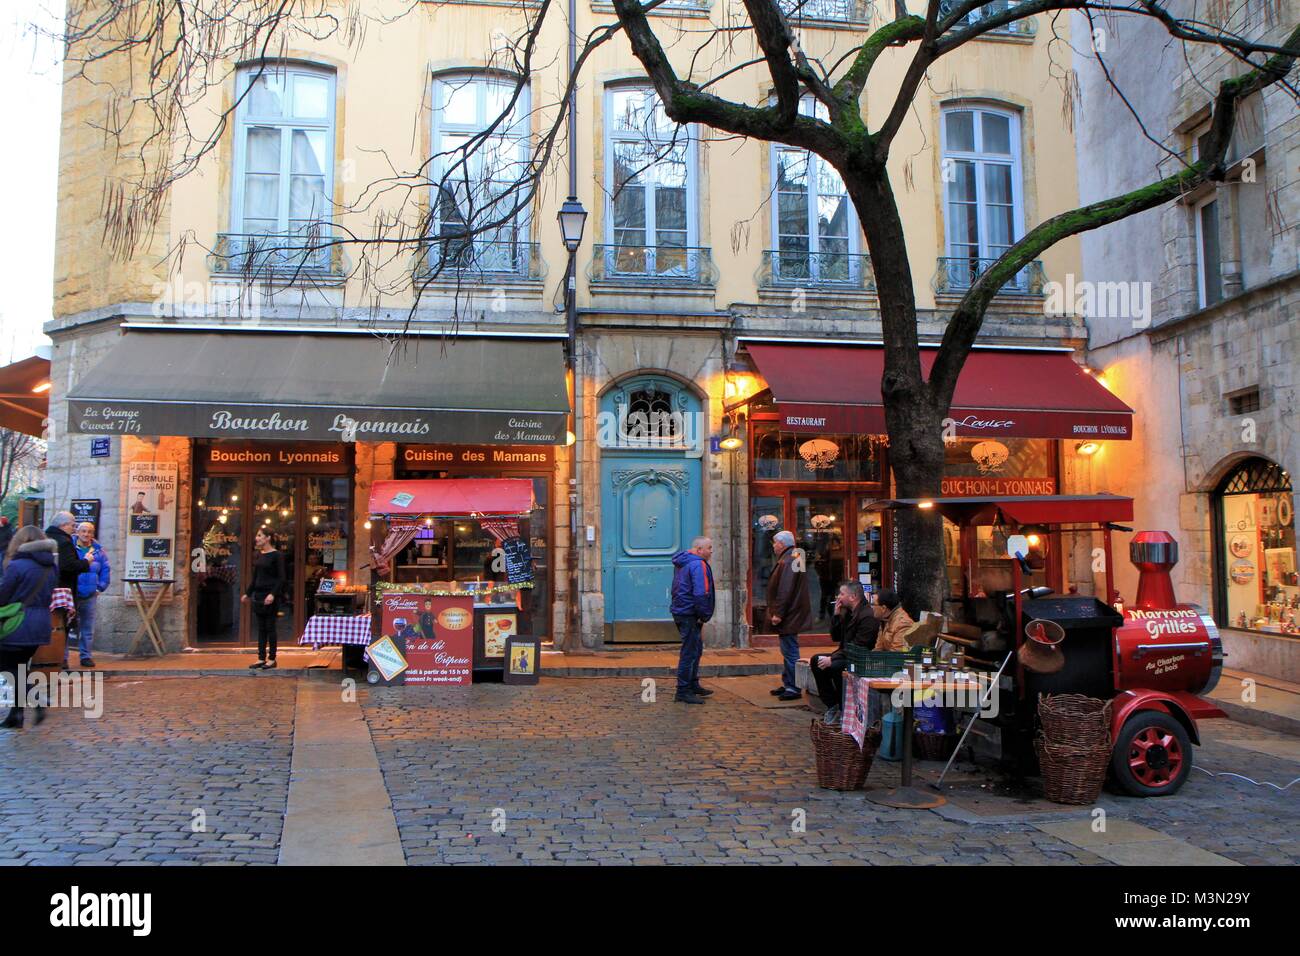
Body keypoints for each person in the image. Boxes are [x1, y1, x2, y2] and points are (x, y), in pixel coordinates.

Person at [0, 526, 58, 728]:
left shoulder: (17, 565)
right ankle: (16, 716)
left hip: (18, 624)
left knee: (7, 667)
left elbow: (3, 596)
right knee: (20, 668)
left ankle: (38, 699)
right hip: (41, 623)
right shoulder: (51, 566)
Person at [809, 581, 880, 724]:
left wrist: (833, 659)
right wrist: (836, 615)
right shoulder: (848, 612)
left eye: (842, 594)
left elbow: (860, 645)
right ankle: (833, 705)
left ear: (853, 596)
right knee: (816, 661)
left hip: (861, 658)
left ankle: (843, 707)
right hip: (845, 654)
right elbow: (836, 638)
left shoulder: (867, 615)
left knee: (835, 666)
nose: (838, 597)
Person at [669, 536, 715, 705]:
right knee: (689, 652)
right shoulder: (698, 564)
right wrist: (704, 615)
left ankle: (693, 684)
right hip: (689, 613)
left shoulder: (684, 562)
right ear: (699, 549)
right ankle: (683, 690)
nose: (711, 551)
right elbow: (700, 592)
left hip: (683, 610)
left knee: (696, 649)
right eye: (709, 548)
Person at [766, 530, 811, 701]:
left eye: (775, 543)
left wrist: (778, 612)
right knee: (788, 649)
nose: (773, 546)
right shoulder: (794, 556)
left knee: (790, 650)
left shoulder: (791, 558)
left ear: (782, 544)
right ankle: (789, 683)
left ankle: (793, 687)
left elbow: (786, 588)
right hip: (793, 612)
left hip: (790, 614)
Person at [243, 528, 286, 669]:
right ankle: (261, 657)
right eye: (257, 535)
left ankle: (272, 659)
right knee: (261, 628)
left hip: (270, 597)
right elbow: (256, 578)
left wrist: (273, 594)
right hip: (259, 596)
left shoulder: (277, 555)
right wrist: (248, 593)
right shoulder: (258, 555)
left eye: (259, 535)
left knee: (270, 627)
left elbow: (281, 578)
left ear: (267, 538)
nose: (257, 538)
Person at [69, 521, 110, 668]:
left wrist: (100, 587)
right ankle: (63, 658)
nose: (86, 534)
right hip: (73, 593)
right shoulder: (72, 548)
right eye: (84, 531)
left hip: (90, 594)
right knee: (68, 627)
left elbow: (105, 570)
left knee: (87, 628)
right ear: (78, 532)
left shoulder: (98, 551)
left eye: (89, 532)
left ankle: (86, 656)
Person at [45, 511, 91, 591]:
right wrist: (86, 561)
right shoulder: (64, 542)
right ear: (63, 525)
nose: (74, 529)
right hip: (63, 588)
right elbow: (69, 566)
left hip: (47, 585)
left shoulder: (44, 537)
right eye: (72, 525)